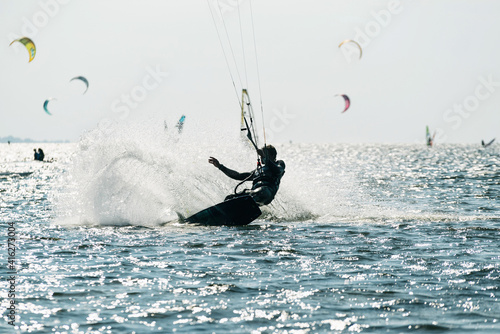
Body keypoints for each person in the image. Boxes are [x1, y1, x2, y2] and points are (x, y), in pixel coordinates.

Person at [209, 145, 285, 206]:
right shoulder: (257, 171)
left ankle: (244, 207)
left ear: (272, 155)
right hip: (253, 194)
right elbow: (238, 176)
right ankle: (226, 214)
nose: (261, 157)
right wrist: (220, 166)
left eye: (264, 155)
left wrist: (265, 157)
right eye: (261, 155)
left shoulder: (279, 164)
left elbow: (278, 170)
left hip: (266, 193)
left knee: (258, 193)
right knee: (230, 198)